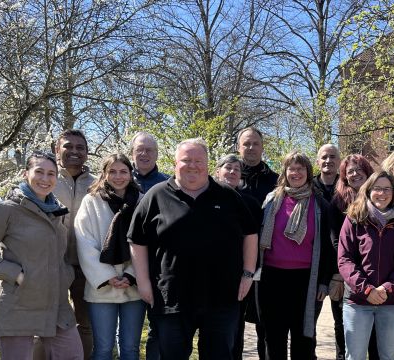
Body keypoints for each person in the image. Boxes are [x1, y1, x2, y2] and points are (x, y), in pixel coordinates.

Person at [128, 138, 258, 359]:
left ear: (208, 163)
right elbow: (137, 241)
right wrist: (143, 284)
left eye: (199, 160)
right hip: (171, 298)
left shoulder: (228, 196)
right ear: (174, 162)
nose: (193, 165)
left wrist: (247, 274)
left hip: (222, 298)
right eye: (186, 160)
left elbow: (250, 234)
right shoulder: (156, 196)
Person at [0, 151, 82, 360]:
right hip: (18, 303)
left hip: (56, 304)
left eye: (51, 174)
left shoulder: (56, 212)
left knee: (72, 354)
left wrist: (66, 275)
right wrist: (16, 274)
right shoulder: (6, 210)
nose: (45, 179)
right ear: (25, 173)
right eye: (39, 172)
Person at [256, 151, 334, 360]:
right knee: (273, 337)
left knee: (303, 339)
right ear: (285, 172)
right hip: (271, 278)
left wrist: (324, 282)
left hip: (306, 279)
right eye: (292, 168)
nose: (296, 172)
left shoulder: (320, 204)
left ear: (308, 172)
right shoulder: (271, 200)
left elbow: (328, 247)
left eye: (301, 168)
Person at [74, 154, 145, 360]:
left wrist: (132, 275)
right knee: (103, 348)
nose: (118, 176)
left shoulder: (142, 201)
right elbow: (84, 241)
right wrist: (106, 276)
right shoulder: (91, 201)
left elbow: (147, 242)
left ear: (131, 174)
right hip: (102, 286)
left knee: (130, 348)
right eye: (112, 171)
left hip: (134, 285)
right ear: (104, 174)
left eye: (123, 171)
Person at [338, 171, 394, 360]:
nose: (382, 193)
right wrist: (367, 290)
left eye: (387, 189)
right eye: (377, 188)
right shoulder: (354, 218)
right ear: (368, 191)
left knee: (389, 356)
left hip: (392, 302)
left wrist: (387, 288)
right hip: (358, 302)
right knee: (355, 356)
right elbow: (345, 260)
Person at [214, 154, 264, 360]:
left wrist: (251, 274)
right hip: (205, 275)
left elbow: (257, 240)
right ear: (217, 171)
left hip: (238, 276)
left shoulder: (250, 203)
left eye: (237, 169)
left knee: (235, 328)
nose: (233, 172)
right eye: (228, 167)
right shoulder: (203, 197)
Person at [53, 129, 97, 358]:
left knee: (85, 323)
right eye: (68, 146)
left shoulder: (98, 184)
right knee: (48, 323)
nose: (74, 152)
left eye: (80, 148)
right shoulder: (46, 178)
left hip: (85, 266)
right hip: (52, 265)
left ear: (87, 153)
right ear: (56, 149)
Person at [329, 154, 375, 360]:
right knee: (345, 330)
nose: (355, 174)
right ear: (344, 177)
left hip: (376, 274)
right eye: (350, 172)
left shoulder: (381, 197)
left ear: (368, 172)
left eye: (359, 170)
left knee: (376, 334)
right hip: (346, 275)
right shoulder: (338, 202)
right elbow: (335, 240)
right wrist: (346, 271)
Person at [129, 132, 169, 360]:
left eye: (149, 150)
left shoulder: (168, 184)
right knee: (127, 333)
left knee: (158, 329)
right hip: (121, 266)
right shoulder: (119, 178)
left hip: (157, 269)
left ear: (157, 154)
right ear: (132, 153)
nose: (144, 154)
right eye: (139, 150)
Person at [237, 127, 279, 201]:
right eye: (246, 144)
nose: (251, 147)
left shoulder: (276, 181)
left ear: (262, 147)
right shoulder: (229, 177)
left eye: (256, 144)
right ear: (238, 148)